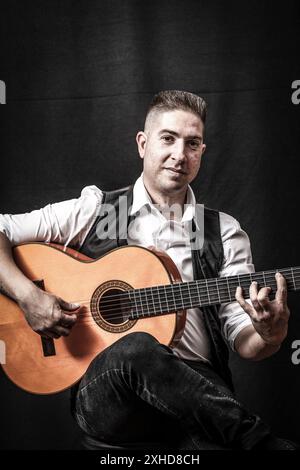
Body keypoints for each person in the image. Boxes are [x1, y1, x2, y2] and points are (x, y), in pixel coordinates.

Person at [0, 90, 297, 450]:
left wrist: (269, 334)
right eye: (168, 139)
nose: (179, 154)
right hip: (107, 392)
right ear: (143, 144)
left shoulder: (224, 232)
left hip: (196, 387)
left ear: (202, 153)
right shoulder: (96, 210)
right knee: (137, 346)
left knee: (157, 360)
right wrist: (28, 295)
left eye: (192, 143)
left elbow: (244, 342)